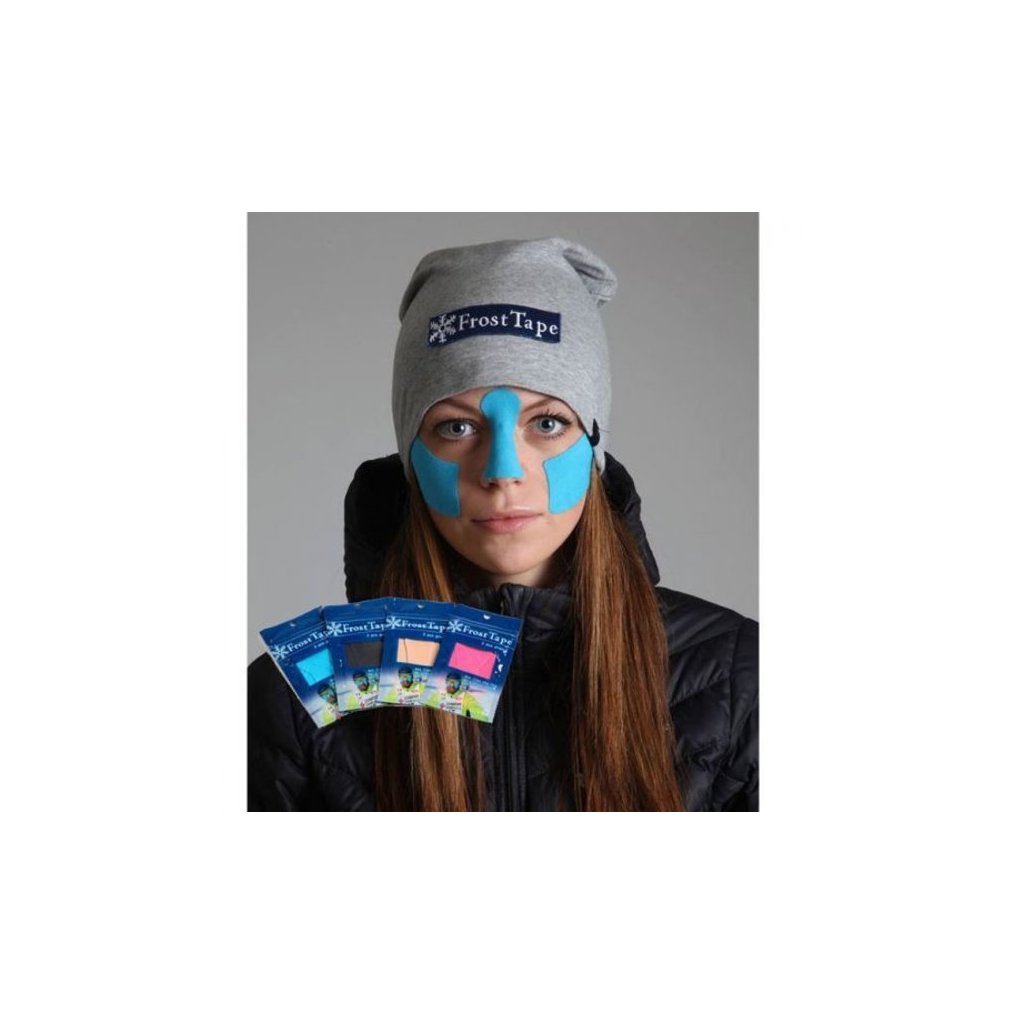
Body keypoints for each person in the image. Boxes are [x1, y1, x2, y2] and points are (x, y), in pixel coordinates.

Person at [248, 237, 758, 811]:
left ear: (594, 446)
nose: (501, 472)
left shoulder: (740, 676)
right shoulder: (299, 688)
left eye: (547, 423)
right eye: (457, 428)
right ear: (411, 459)